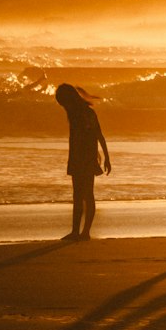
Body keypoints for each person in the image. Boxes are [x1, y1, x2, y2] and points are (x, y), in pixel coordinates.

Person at [54, 82, 110, 241]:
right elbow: (95, 136)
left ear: (69, 100)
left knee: (85, 194)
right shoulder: (78, 112)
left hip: (84, 157)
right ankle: (77, 232)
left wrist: (106, 157)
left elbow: (97, 135)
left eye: (63, 103)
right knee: (79, 195)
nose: (63, 106)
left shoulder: (83, 113)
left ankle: (83, 232)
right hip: (79, 156)